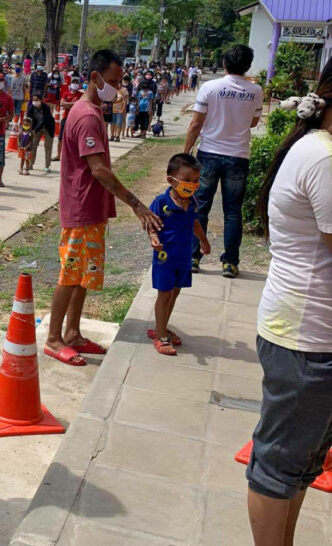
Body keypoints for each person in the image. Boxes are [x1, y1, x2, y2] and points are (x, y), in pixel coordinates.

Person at [246, 61, 332, 546]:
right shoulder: (323, 157)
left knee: (300, 465)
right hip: (307, 338)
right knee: (280, 466)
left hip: (313, 333)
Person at [44, 49, 162, 367]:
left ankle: (72, 333)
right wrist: (136, 205)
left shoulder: (94, 112)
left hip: (92, 209)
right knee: (70, 274)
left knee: (85, 275)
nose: (118, 86)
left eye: (120, 80)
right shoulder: (85, 115)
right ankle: (54, 338)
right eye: (112, 80)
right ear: (95, 78)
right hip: (81, 208)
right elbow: (98, 170)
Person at [184, 44, 262, 278]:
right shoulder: (255, 91)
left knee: (200, 207)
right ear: (248, 66)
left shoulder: (210, 87)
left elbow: (196, 123)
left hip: (208, 153)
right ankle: (230, 263)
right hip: (238, 156)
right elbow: (254, 123)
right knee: (232, 211)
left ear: (224, 63)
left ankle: (193, 258)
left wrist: (186, 151)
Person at [147, 153, 210, 355]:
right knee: (164, 295)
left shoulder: (191, 202)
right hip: (165, 258)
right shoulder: (161, 201)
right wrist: (153, 237)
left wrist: (203, 239)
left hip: (183, 258)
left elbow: (194, 223)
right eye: (187, 180)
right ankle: (160, 335)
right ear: (171, 180)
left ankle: (162, 326)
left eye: (195, 181)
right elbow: (150, 224)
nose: (192, 185)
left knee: (174, 293)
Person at [54, 77, 82, 162]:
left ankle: (73, 156)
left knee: (75, 138)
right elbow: (62, 103)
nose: (75, 84)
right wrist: (73, 104)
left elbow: (80, 104)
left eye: (76, 82)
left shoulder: (81, 95)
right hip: (66, 117)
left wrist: (68, 104)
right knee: (61, 137)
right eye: (73, 82)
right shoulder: (66, 93)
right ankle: (59, 155)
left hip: (76, 118)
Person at [25, 93, 54, 173]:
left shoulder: (46, 108)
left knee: (48, 146)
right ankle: (30, 164)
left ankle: (47, 166)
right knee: (33, 145)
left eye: (37, 100)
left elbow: (43, 120)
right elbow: (28, 119)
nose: (35, 102)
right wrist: (27, 130)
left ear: (41, 100)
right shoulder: (31, 107)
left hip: (48, 127)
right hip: (37, 128)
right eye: (33, 100)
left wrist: (35, 130)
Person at [110, 78, 128, 142]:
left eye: (118, 83)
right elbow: (111, 99)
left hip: (120, 109)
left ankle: (117, 136)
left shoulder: (124, 90)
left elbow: (125, 100)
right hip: (113, 109)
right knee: (112, 123)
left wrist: (123, 109)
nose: (117, 85)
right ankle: (112, 135)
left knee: (119, 123)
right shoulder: (113, 90)